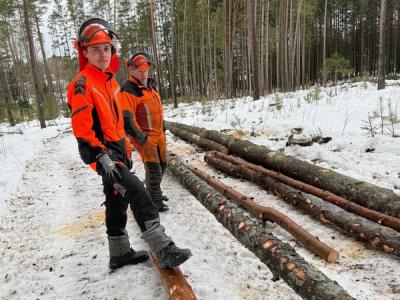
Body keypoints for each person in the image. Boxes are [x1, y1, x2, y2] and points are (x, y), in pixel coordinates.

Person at [67, 17, 191, 270]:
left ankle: (119, 253)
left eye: (106, 49)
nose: (102, 54)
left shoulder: (109, 81)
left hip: (117, 151)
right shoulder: (81, 84)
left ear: (111, 51)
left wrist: (126, 147)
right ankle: (163, 247)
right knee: (138, 192)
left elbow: (116, 123)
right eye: (95, 50)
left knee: (116, 200)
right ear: (85, 52)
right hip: (104, 155)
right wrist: (101, 157)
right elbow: (82, 129)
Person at [119, 53, 169, 212]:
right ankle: (154, 201)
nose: (143, 72)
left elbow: (157, 110)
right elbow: (127, 119)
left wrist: (163, 127)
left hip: (159, 134)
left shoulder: (150, 86)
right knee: (154, 169)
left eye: (145, 68)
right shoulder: (128, 90)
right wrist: (142, 138)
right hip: (146, 137)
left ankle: (155, 192)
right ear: (131, 70)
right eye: (139, 69)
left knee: (162, 166)